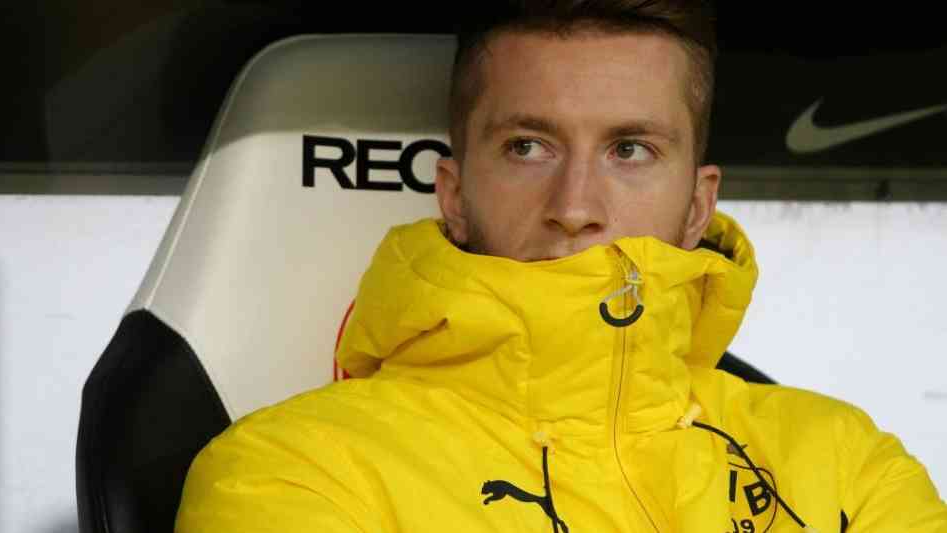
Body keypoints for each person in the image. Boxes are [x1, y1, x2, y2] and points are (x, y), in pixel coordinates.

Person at [175, 1, 947, 531]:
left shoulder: (850, 470)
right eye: (528, 146)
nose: (575, 205)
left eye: (629, 149)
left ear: (698, 205)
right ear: (454, 194)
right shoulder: (290, 474)